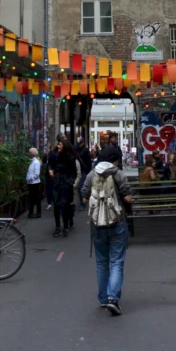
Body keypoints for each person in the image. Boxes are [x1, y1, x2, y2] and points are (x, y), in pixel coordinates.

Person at [82, 144, 132, 315]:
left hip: (97, 225)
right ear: (115, 160)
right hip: (117, 223)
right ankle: (113, 298)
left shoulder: (91, 174)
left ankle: (103, 298)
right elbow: (127, 197)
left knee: (102, 262)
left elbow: (84, 195)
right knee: (117, 261)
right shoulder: (118, 174)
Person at [49, 138, 77, 237]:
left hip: (66, 182)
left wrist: (70, 182)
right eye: (58, 144)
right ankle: (57, 227)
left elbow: (73, 172)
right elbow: (50, 165)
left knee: (65, 205)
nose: (58, 146)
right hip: (57, 182)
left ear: (64, 146)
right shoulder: (55, 155)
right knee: (56, 205)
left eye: (60, 145)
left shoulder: (70, 157)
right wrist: (50, 171)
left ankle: (65, 226)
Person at [75, 135, 92, 210]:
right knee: (81, 187)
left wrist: (88, 171)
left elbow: (88, 162)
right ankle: (83, 202)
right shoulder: (78, 149)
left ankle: (83, 203)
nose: (79, 144)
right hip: (80, 171)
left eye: (80, 142)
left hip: (83, 171)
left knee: (80, 187)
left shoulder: (85, 151)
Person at [26, 147, 42, 219]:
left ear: (32, 153)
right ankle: (32, 213)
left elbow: (36, 173)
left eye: (29, 152)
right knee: (33, 198)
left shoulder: (36, 162)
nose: (28, 154)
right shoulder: (33, 161)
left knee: (35, 198)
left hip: (34, 183)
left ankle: (36, 213)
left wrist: (30, 179)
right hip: (32, 183)